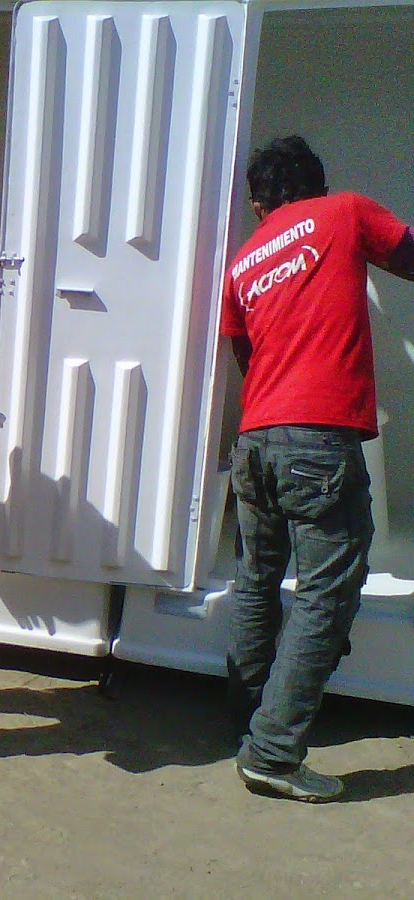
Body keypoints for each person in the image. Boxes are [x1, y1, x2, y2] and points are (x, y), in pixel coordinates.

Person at [220, 135, 414, 801]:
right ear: (318, 186)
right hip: (318, 441)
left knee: (256, 578)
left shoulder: (242, 264)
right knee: (326, 590)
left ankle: (250, 719)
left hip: (255, 438)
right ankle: (272, 751)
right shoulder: (344, 211)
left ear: (258, 203)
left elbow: (246, 356)